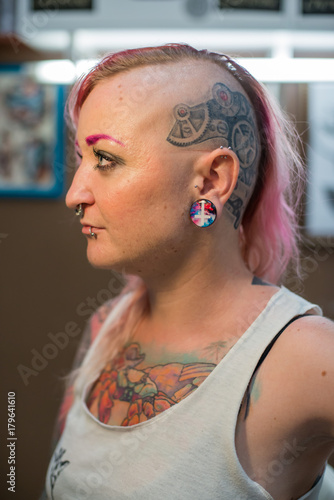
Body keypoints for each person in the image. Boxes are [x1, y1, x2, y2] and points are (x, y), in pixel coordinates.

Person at [44, 44, 334, 500]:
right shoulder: (107, 326)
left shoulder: (305, 357)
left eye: (106, 160)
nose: (76, 193)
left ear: (211, 181)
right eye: (82, 158)